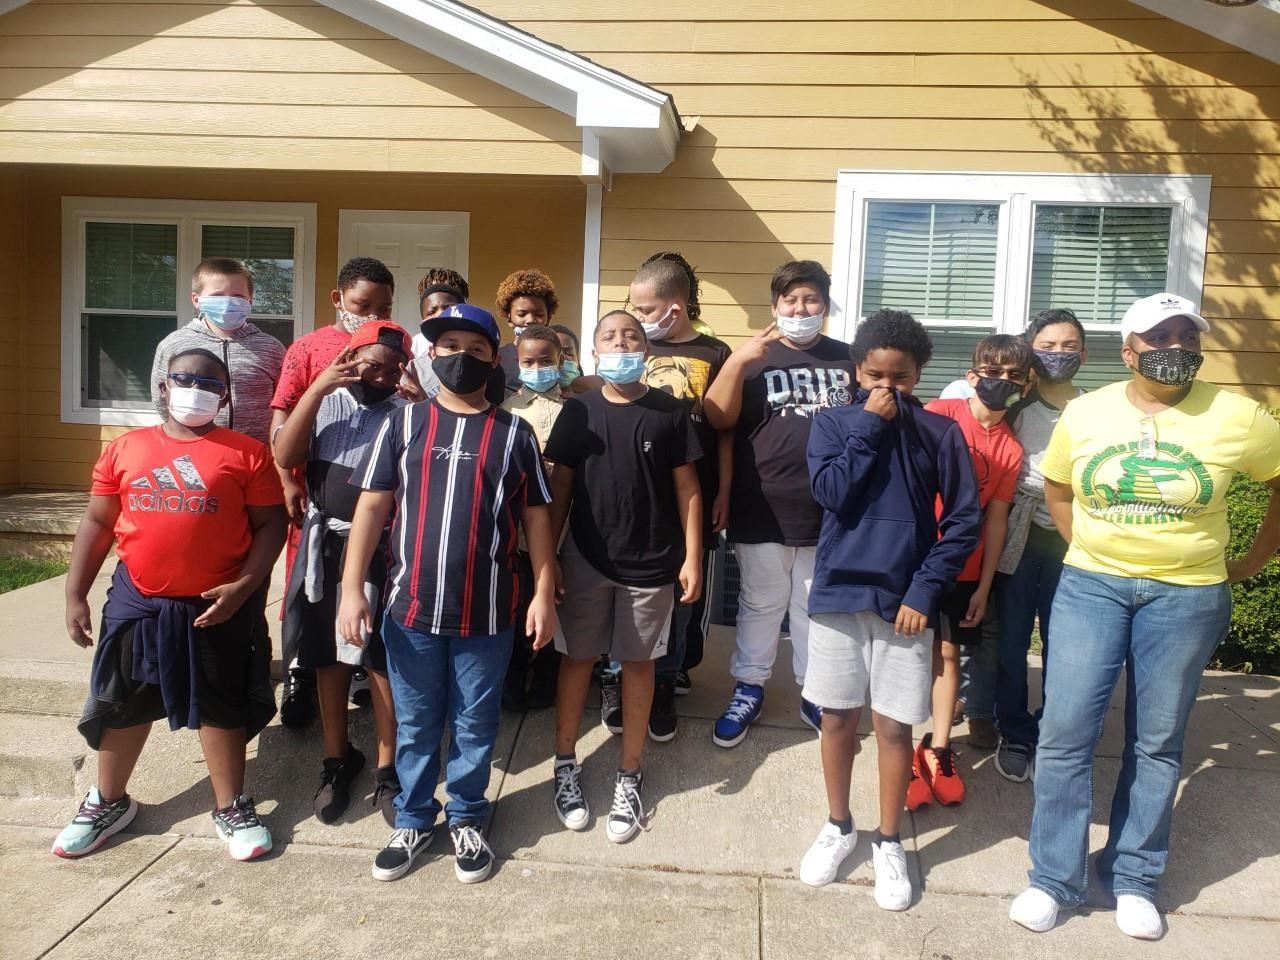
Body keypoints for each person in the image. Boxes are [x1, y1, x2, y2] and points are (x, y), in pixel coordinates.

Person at [1009, 293, 1280, 940]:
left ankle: (1134, 876)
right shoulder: (1089, 411)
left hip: (1185, 596)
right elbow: (1057, 485)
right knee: (1066, 730)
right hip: (1093, 589)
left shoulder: (1240, 417)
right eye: (1160, 337)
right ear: (1128, 351)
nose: (1176, 347)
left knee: (1158, 739)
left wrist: (1249, 560)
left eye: (1188, 336)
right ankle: (1053, 877)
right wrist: (1085, 546)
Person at [338, 304, 558, 885]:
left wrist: (544, 594)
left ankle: (466, 814)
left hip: (488, 612)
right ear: (431, 356)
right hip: (409, 609)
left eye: (477, 349)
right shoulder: (404, 424)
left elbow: (537, 519)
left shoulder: (516, 433)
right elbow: (372, 507)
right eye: (449, 346)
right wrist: (350, 589)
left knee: (475, 721)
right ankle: (412, 817)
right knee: (414, 721)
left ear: (494, 360)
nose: (462, 357)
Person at [54, 349, 286, 861]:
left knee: (222, 702)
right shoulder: (127, 449)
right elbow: (97, 523)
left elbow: (272, 525)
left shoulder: (246, 453)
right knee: (124, 701)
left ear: (225, 395)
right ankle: (109, 801)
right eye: (184, 378)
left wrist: (245, 587)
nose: (195, 388)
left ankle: (230, 805)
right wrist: (75, 593)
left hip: (217, 604)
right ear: (163, 385)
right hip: (140, 600)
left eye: (209, 382)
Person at [801, 310, 980, 911]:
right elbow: (830, 494)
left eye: (899, 378)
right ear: (857, 371)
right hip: (839, 593)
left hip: (906, 602)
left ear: (918, 374)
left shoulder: (940, 432)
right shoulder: (832, 423)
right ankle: (838, 824)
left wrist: (924, 591)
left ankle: (887, 839)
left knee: (894, 727)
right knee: (837, 719)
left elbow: (961, 522)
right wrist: (868, 431)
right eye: (874, 374)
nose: (885, 388)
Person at [542, 309, 703, 843]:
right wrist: (549, 565)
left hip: (652, 564)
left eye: (631, 335)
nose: (621, 343)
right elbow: (558, 492)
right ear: (592, 351)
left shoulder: (670, 413)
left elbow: (688, 491)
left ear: (648, 351)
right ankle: (565, 763)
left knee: (639, 666)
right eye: (609, 336)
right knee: (577, 660)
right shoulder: (578, 413)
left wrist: (693, 556)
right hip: (584, 558)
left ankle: (628, 774)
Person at [703, 260, 855, 747]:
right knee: (760, 604)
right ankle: (749, 686)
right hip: (760, 503)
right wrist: (738, 361)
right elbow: (719, 422)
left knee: (815, 607)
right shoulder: (755, 359)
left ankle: (815, 692)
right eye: (789, 300)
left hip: (828, 510)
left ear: (825, 307)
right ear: (774, 308)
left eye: (810, 299)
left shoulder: (849, 360)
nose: (800, 308)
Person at [274, 321, 413, 826]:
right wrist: (317, 387)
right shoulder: (327, 403)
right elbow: (286, 455)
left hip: (381, 548)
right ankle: (337, 759)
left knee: (378, 659)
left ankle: (386, 766)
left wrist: (417, 403)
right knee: (327, 654)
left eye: (391, 369)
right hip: (326, 545)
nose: (377, 376)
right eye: (369, 364)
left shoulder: (405, 413)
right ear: (349, 357)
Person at [269, 257, 396, 728]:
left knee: (366, 593)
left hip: (375, 498)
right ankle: (303, 669)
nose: (373, 313)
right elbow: (282, 416)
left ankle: (363, 669)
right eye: (364, 304)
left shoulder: (391, 346)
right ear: (338, 299)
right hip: (317, 493)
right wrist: (287, 481)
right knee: (309, 593)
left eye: (383, 305)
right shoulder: (308, 349)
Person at [907, 335, 1031, 809]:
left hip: (963, 564)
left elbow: (995, 517)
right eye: (992, 372)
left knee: (948, 654)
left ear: (1024, 383)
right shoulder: (941, 413)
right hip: (912, 553)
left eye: (1013, 376)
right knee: (898, 653)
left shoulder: (1009, 450)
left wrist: (983, 584)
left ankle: (938, 748)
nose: (1002, 382)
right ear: (973, 374)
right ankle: (898, 746)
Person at [629, 256, 731, 739]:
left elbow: (727, 431)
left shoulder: (714, 352)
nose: (639, 317)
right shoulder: (631, 350)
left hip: (694, 491)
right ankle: (628, 673)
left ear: (674, 308)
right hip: (639, 489)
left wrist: (724, 491)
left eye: (646, 309)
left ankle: (668, 677)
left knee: (685, 591)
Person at [991, 309, 1088, 782]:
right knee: (1010, 640)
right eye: (1047, 346)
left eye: (1068, 346)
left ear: (1084, 354)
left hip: (1074, 537)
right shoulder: (1013, 406)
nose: (1058, 355)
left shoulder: (1097, 409)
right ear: (1031, 350)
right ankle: (1014, 731)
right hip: (1019, 533)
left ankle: (1054, 732)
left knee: (1065, 642)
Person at [501, 325, 568, 711]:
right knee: (519, 605)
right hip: (519, 534)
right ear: (518, 362)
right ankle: (512, 676)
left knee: (556, 603)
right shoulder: (507, 412)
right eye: (529, 362)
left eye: (546, 361)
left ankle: (546, 677)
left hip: (563, 528)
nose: (538, 367)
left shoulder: (574, 409)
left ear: (560, 362)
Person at [150, 257, 286, 447]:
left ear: (250, 301)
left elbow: (286, 403)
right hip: (197, 453)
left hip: (257, 455)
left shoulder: (271, 348)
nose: (227, 302)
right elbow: (161, 399)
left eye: (237, 297)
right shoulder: (174, 344)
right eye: (217, 295)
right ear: (196, 300)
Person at [495, 269, 559, 397]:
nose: (530, 320)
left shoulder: (558, 355)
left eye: (539, 314)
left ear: (549, 317)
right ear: (509, 318)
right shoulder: (498, 360)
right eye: (522, 314)